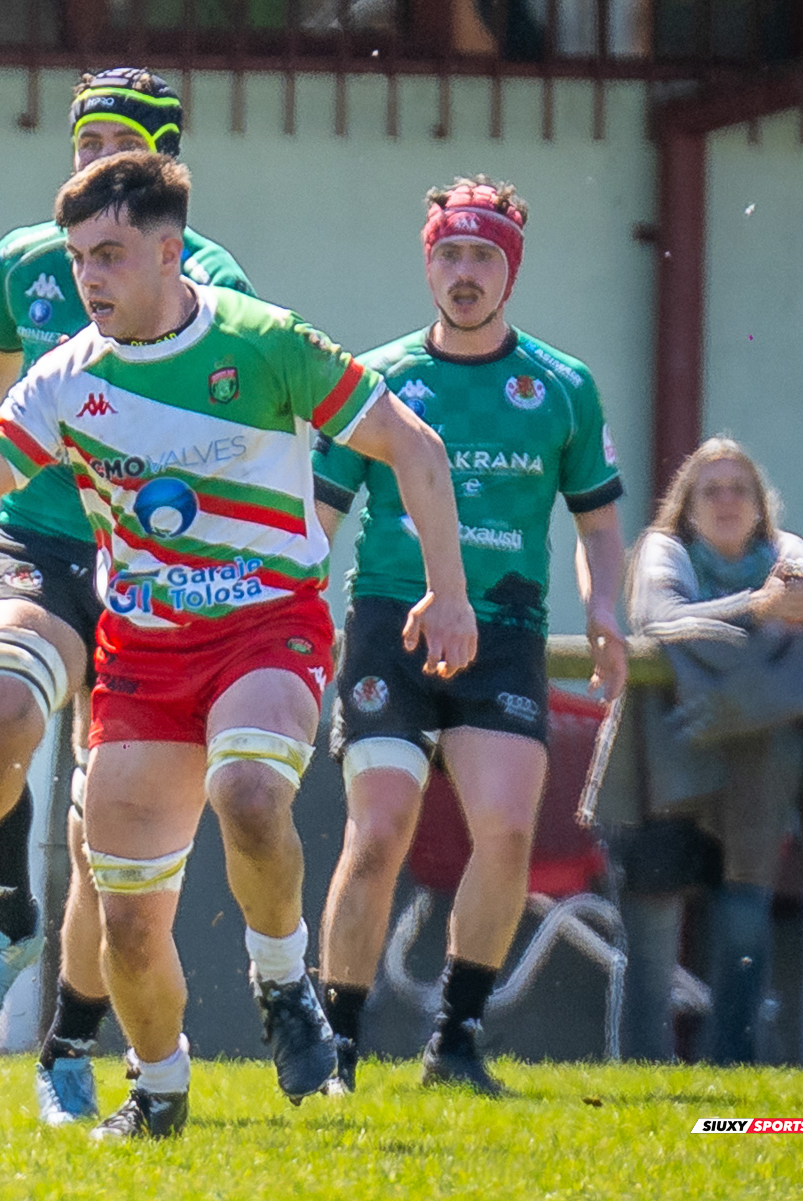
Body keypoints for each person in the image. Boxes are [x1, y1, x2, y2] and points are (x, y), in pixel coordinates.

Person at [0, 152, 474, 1138]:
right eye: (75, 259)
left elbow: (415, 444)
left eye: (107, 255)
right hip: (143, 658)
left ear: (167, 249)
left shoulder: (266, 343)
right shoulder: (68, 378)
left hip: (266, 627)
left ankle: (283, 979)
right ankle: (158, 1089)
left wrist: (450, 594)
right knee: (129, 920)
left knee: (246, 793)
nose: (87, 279)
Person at [0, 66, 258, 1126]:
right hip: (46, 536)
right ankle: (7, 920)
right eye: (83, 138)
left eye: (116, 142)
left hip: (157, 567)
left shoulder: (214, 276)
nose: (91, 158)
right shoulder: (30, 257)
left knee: (115, 850)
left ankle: (69, 1043)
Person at [313, 176, 628, 1097]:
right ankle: (336, 1041)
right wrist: (280, 608)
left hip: (507, 628)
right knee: (376, 834)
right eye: (449, 253)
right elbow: (317, 518)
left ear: (510, 270)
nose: (464, 271)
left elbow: (599, 523)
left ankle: (454, 1039)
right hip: (388, 625)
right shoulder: (380, 381)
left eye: (483, 254)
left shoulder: (562, 388)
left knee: (505, 831)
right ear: (428, 262)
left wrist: (603, 608)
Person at [621, 437, 803, 1063]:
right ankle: (643, 1084)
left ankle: (733, 1092)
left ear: (760, 507)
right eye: (711, 490)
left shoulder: (788, 555)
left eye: (739, 490)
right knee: (651, 940)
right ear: (687, 507)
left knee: (745, 926)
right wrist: (761, 613)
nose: (726, 501)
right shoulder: (662, 550)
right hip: (664, 771)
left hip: (760, 774)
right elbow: (658, 621)